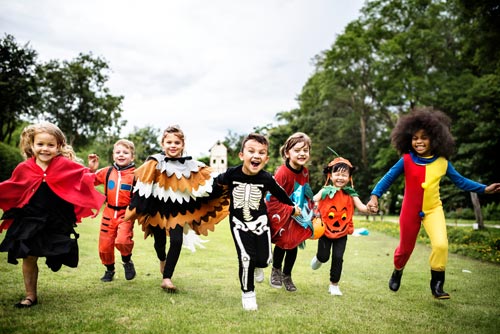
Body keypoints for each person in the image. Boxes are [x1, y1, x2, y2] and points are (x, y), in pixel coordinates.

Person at [366, 107, 500, 299]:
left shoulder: (443, 162)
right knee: (405, 249)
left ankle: (437, 284)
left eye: (424, 137)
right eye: (415, 138)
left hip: (433, 210)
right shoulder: (405, 160)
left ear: (436, 139)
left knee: (441, 245)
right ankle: (398, 270)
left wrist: (484, 188)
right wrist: (374, 196)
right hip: (409, 211)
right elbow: (387, 178)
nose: (419, 141)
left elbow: (461, 181)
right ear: (408, 140)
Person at [0, 122, 105, 308]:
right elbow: (12, 186)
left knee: (57, 255)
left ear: (58, 147)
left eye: (50, 145)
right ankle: (30, 295)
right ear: (31, 145)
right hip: (30, 217)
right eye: (40, 144)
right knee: (29, 255)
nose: (45, 149)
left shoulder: (64, 165)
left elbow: (83, 179)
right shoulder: (24, 168)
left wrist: (92, 170)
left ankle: (57, 257)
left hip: (56, 219)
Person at [125, 125, 228, 292]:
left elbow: (211, 178)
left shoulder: (192, 165)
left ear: (182, 144)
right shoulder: (154, 162)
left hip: (178, 212)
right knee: (160, 243)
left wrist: (232, 177)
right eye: (169, 142)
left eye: (177, 142)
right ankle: (162, 259)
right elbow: (136, 179)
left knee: (177, 241)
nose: (173, 145)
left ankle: (167, 278)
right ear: (163, 143)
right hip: (156, 210)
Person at [215, 133, 301, 311]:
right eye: (251, 151)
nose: (256, 156)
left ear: (266, 159)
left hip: (261, 221)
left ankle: (258, 266)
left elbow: (280, 194)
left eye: (261, 153)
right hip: (238, 222)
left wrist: (293, 207)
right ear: (242, 155)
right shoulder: (232, 173)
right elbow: (214, 186)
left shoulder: (266, 178)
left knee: (264, 259)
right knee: (246, 257)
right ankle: (248, 294)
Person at [310, 157, 370, 296]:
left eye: (344, 175)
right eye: (337, 174)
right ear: (330, 176)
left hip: (342, 232)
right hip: (325, 230)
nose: (340, 177)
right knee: (324, 257)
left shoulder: (350, 193)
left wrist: (370, 208)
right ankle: (319, 258)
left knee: (338, 257)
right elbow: (313, 200)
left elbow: (361, 207)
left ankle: (334, 285)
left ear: (349, 177)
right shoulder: (325, 190)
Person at [265, 132, 314, 292]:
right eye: (297, 150)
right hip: (284, 213)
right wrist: (289, 210)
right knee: (283, 244)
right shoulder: (282, 173)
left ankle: (287, 275)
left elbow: (304, 191)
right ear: (287, 153)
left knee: (294, 245)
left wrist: (311, 210)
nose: (302, 154)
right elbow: (273, 198)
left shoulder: (305, 171)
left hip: (298, 215)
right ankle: (276, 271)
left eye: (305, 150)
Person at [88, 139, 136, 282]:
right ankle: (109, 270)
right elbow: (89, 180)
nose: (121, 155)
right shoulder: (107, 171)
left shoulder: (136, 175)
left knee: (123, 241)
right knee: (105, 245)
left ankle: (127, 262)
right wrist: (91, 169)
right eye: (118, 152)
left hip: (126, 214)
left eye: (126, 152)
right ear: (113, 155)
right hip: (108, 212)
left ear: (132, 157)